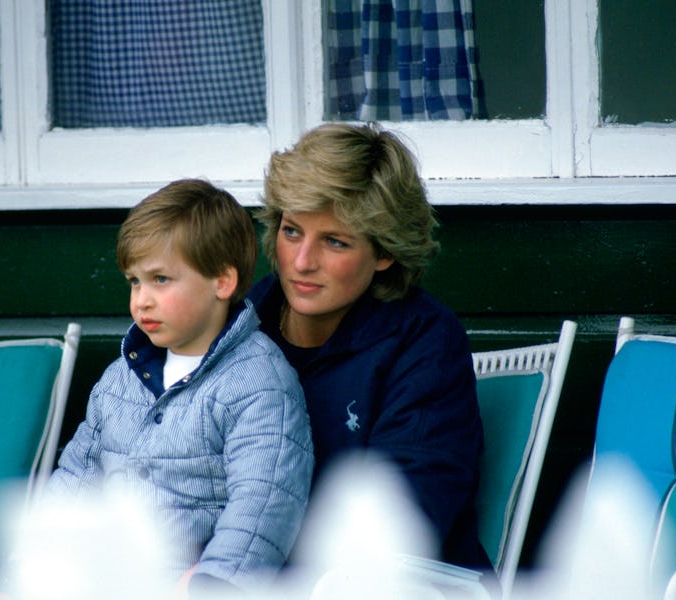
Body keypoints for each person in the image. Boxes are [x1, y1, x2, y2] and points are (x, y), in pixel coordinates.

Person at [46, 179, 314, 596]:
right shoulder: (119, 379)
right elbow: (75, 479)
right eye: (134, 281)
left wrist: (214, 583)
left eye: (160, 280)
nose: (142, 300)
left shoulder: (259, 384)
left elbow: (264, 502)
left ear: (222, 282)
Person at [248, 123, 493, 579]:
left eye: (334, 241)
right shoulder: (239, 323)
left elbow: (401, 524)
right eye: (292, 231)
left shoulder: (424, 343)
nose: (302, 261)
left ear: (384, 252)